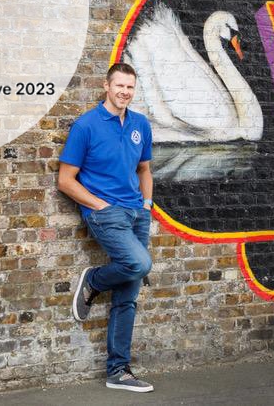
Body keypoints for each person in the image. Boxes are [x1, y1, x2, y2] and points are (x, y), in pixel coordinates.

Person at [57, 62, 155, 393]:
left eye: (130, 87)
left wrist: (146, 204)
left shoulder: (140, 124)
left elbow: (144, 169)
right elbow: (65, 180)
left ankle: (118, 370)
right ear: (106, 86)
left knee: (128, 295)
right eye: (119, 86)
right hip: (106, 214)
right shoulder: (86, 126)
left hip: (137, 213)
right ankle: (95, 280)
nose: (125, 92)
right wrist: (99, 205)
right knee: (139, 264)